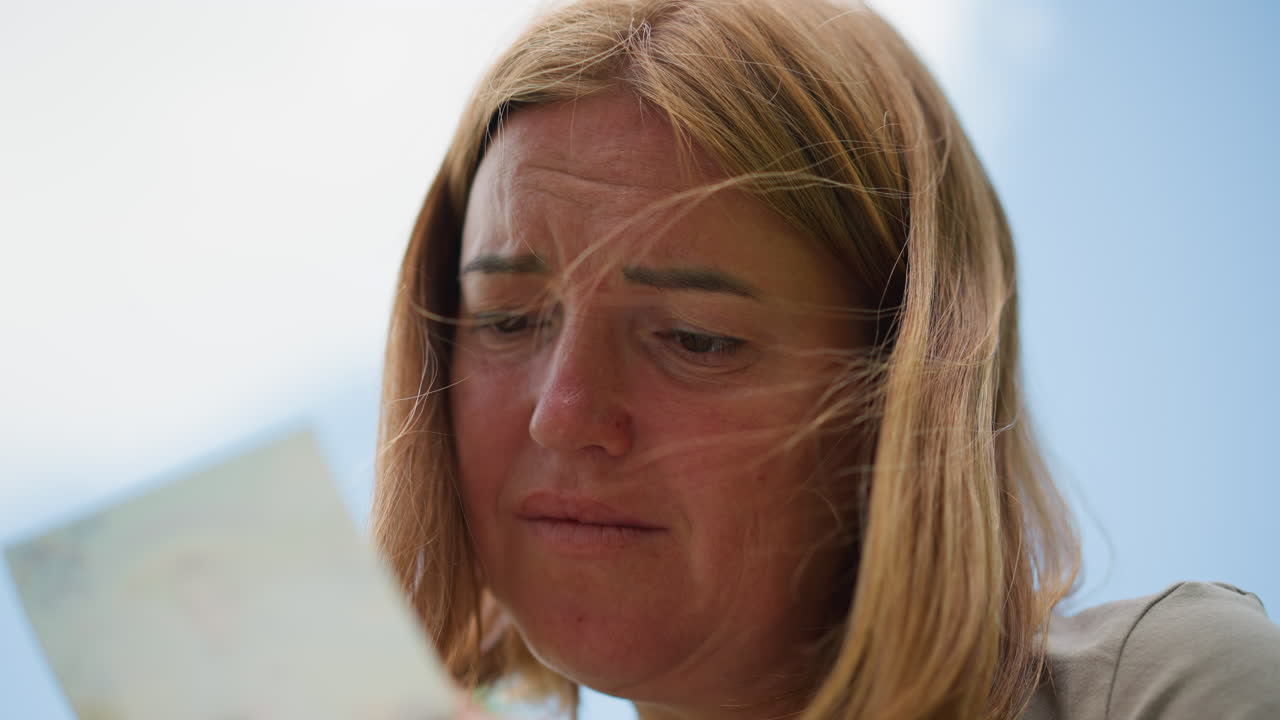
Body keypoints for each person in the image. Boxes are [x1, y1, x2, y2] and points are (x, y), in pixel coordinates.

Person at [371, 1, 1280, 719]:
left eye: (696, 339)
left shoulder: (1168, 693)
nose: (562, 413)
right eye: (507, 319)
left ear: (906, 388)